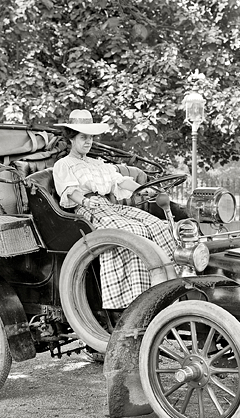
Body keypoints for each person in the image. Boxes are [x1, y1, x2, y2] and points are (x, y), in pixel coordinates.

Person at [53, 109, 177, 310]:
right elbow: (69, 191)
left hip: (109, 206)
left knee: (158, 225)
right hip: (86, 211)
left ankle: (171, 284)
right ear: (71, 139)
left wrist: (145, 189)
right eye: (83, 137)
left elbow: (120, 181)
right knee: (134, 233)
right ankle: (139, 297)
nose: (88, 141)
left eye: (91, 137)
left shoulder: (98, 164)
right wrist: (84, 201)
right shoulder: (63, 165)